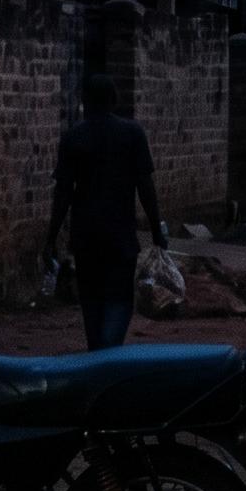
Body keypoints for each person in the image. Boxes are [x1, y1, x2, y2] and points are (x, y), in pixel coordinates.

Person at [46, 74, 167, 351]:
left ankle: (98, 351)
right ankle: (109, 352)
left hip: (85, 233)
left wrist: (50, 238)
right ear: (114, 100)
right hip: (120, 233)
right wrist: (157, 229)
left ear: (84, 101)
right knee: (120, 298)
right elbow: (145, 187)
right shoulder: (132, 134)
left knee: (91, 298)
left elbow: (62, 194)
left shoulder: (73, 137)